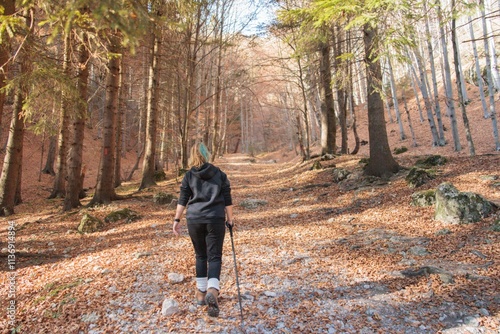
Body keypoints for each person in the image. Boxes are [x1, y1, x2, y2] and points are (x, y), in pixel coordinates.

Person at [172, 142, 234, 318]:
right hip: (215, 218)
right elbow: (227, 199)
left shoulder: (189, 176)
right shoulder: (220, 174)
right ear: (207, 154)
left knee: (200, 256)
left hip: (194, 219)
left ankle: (200, 294)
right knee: (215, 256)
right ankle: (212, 291)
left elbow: (183, 198)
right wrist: (230, 220)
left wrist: (177, 219)